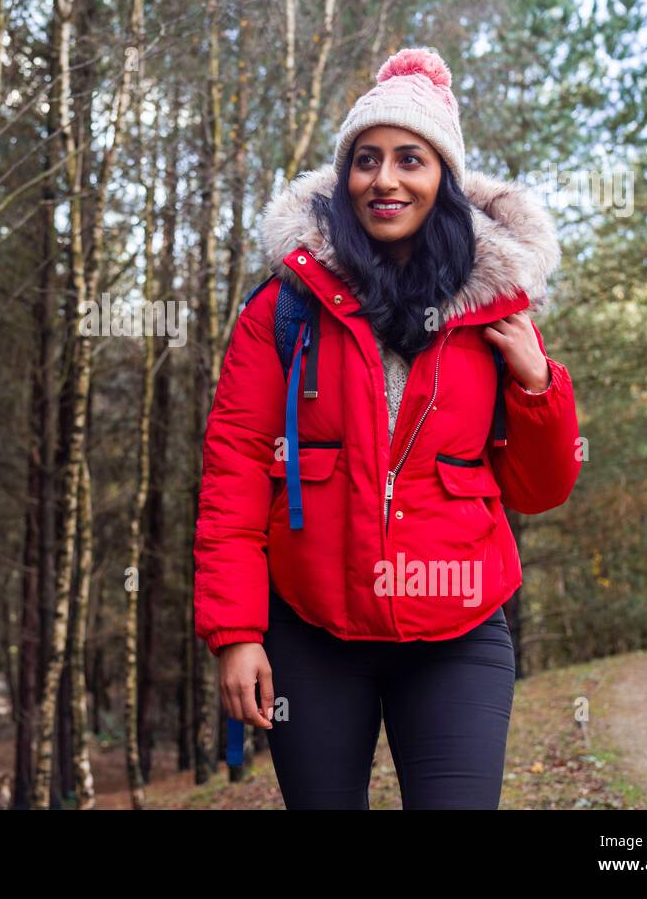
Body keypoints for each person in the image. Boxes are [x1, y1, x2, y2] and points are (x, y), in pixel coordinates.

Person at [193, 46, 581, 809]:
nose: (386, 179)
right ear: (346, 178)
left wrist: (538, 383)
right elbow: (234, 470)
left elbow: (541, 488)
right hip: (311, 633)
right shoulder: (288, 307)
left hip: (459, 630)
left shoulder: (497, 311)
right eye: (366, 160)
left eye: (411, 159)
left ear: (443, 179)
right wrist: (236, 631)